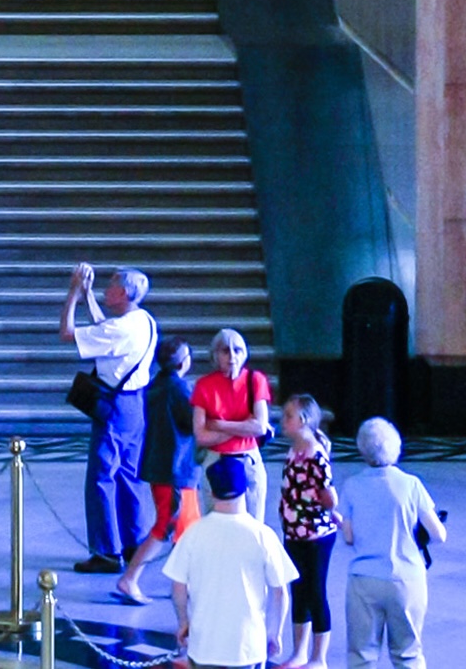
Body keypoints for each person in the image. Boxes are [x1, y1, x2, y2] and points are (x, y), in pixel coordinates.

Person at [63, 263, 160, 576]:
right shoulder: (143, 320)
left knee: (102, 477)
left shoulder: (120, 329)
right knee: (128, 475)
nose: (107, 289)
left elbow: (67, 333)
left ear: (123, 293)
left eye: (111, 286)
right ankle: (133, 542)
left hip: (115, 408)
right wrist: (90, 295)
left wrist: (73, 294)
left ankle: (105, 551)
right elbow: (104, 328)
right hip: (136, 405)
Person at [163, 455, 297, 669]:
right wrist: (275, 633)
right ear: (246, 489)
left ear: (211, 492)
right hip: (248, 647)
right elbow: (280, 592)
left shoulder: (193, 534)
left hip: (204, 646)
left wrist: (184, 623)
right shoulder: (262, 535)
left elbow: (178, 587)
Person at [340, 417, 446, 669]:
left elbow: (348, 537)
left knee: (362, 656)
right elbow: (439, 535)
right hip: (407, 579)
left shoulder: (351, 486)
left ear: (361, 448)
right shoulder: (411, 485)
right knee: (407, 654)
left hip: (363, 580)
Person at [275, 390, 344, 669]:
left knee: (316, 591)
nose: (283, 420)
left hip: (315, 535)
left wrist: (327, 508)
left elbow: (330, 497)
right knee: (299, 590)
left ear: (303, 420)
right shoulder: (295, 450)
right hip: (294, 532)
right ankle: (299, 652)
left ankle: (319, 657)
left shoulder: (316, 455)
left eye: (288, 416)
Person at [123, 333, 192, 604]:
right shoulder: (180, 389)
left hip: (162, 465)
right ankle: (130, 578)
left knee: (186, 528)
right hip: (175, 468)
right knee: (167, 524)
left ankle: (183, 583)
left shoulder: (156, 386)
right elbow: (192, 423)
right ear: (182, 362)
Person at [185, 328, 277, 529]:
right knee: (214, 524)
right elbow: (201, 436)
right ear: (215, 355)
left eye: (238, 350)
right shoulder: (204, 385)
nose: (232, 357)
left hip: (249, 459)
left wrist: (219, 424)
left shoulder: (255, 380)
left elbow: (260, 427)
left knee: (253, 525)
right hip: (216, 461)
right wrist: (244, 426)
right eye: (226, 351)